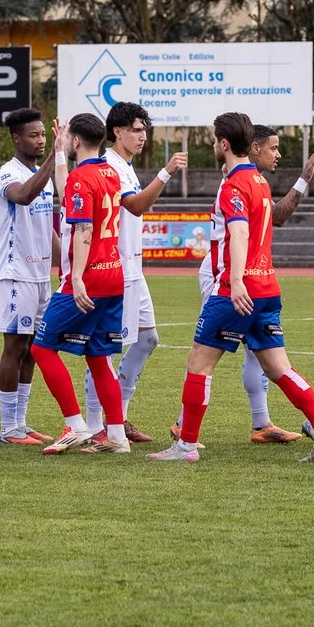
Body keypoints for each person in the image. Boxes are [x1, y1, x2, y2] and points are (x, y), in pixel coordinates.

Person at [151, 112, 314, 464]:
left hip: (236, 291)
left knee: (199, 365)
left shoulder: (233, 185)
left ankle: (186, 446)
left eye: (214, 140)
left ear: (224, 144)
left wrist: (236, 281)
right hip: (268, 287)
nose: (213, 145)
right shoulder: (258, 181)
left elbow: (239, 232)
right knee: (279, 368)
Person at [80, 102, 187, 443]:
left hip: (133, 271)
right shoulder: (110, 165)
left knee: (147, 338)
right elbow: (137, 205)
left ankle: (119, 415)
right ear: (117, 132)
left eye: (144, 130)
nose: (143, 137)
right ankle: (97, 424)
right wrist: (166, 172)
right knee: (106, 348)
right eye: (137, 130)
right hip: (113, 270)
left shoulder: (125, 166)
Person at [31, 115, 135, 455]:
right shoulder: (110, 173)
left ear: (77, 141)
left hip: (88, 277)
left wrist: (75, 277)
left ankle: (75, 425)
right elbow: (68, 192)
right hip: (113, 274)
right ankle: (116, 436)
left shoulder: (82, 178)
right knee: (98, 356)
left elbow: (84, 229)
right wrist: (60, 152)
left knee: (42, 348)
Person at [0, 108, 56, 446]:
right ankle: (6, 428)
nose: (41, 140)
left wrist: (70, 262)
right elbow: (23, 196)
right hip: (15, 275)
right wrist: (55, 157)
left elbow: (47, 228)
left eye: (44, 134)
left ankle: (21, 423)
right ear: (16, 138)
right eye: (34, 135)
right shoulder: (6, 174)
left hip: (41, 276)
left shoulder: (45, 176)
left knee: (33, 349)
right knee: (14, 347)